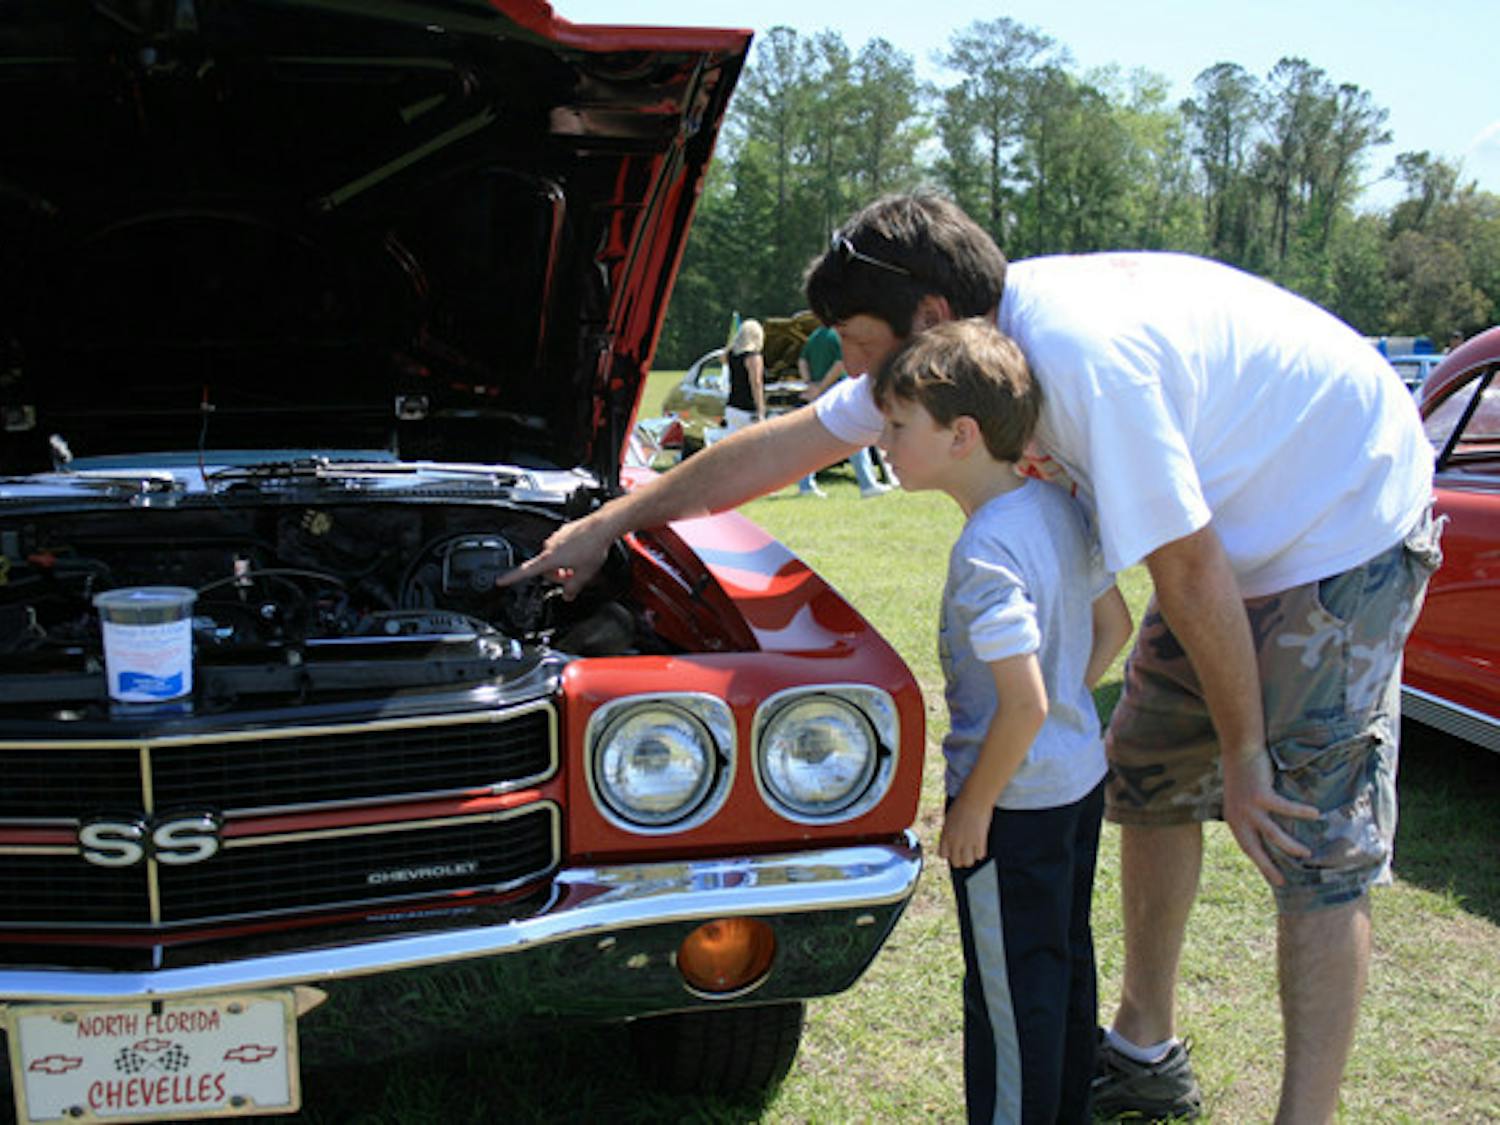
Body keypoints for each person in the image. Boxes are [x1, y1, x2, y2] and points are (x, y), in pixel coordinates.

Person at [502, 192, 1438, 1124]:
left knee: (1311, 840)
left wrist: (1243, 755)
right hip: (1219, 531)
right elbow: (784, 447)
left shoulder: (1080, 365)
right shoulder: (956, 368)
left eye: (861, 343)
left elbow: (1188, 571)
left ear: (933, 316)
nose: (855, 372)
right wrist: (613, 520)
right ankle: (1145, 1050)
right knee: (1149, 776)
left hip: (1338, 505)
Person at [877, 318, 1131, 1122]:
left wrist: (976, 803)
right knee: (1059, 965)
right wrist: (1066, 706)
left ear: (961, 434)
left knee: (1008, 999)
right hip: (1076, 783)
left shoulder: (987, 550)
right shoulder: (1057, 506)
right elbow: (1115, 626)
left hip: (1013, 811)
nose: (883, 440)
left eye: (897, 424)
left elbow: (1020, 703)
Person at [796, 323, 890, 498]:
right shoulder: (838, 336)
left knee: (814, 440)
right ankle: (867, 483)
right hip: (837, 391)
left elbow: (802, 361)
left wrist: (809, 384)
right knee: (855, 433)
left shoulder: (814, 336)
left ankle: (805, 485)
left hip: (818, 392)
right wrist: (822, 387)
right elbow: (840, 364)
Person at [723, 318, 765, 433]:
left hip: (732, 407)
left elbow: (723, 357)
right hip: (748, 410)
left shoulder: (731, 354)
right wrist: (761, 411)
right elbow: (756, 383)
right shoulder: (753, 357)